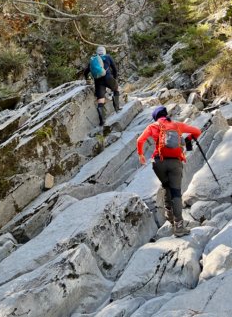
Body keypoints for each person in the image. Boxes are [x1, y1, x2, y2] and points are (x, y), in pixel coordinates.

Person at [136, 106, 201, 237]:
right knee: (176, 193)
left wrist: (141, 155)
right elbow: (197, 131)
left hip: (158, 163)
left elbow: (140, 140)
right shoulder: (177, 125)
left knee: (166, 186)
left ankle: (169, 215)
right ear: (166, 115)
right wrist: (187, 141)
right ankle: (179, 226)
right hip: (175, 163)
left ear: (156, 117)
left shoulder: (152, 126)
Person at [83, 46, 120, 126]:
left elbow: (86, 72)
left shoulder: (93, 60)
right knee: (116, 89)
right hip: (108, 78)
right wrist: (115, 79)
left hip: (98, 81)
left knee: (100, 100)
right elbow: (114, 69)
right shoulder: (108, 57)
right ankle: (117, 108)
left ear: (97, 52)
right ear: (104, 51)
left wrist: (87, 79)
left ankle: (102, 121)